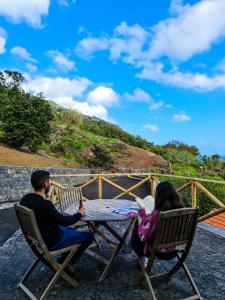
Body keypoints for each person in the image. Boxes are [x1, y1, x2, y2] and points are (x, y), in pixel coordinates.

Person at [20, 170, 94, 267]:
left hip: (40, 238)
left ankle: (64, 260)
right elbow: (63, 221)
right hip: (52, 241)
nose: (50, 183)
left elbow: (55, 218)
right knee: (89, 236)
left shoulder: (25, 199)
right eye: (49, 181)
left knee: (71, 229)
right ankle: (67, 263)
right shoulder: (45, 204)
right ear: (45, 184)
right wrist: (79, 214)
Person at [131, 181, 184, 260]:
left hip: (157, 250)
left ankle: (137, 253)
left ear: (159, 196)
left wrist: (142, 213)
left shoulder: (158, 213)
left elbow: (144, 237)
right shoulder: (182, 210)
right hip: (174, 249)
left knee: (138, 223)